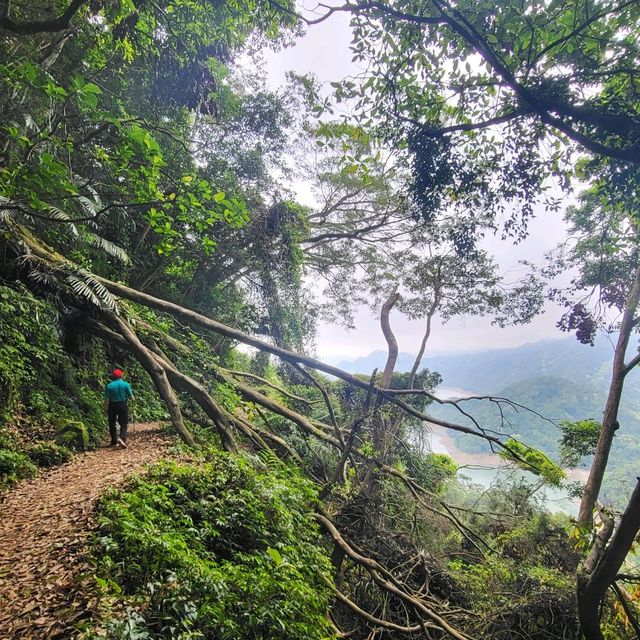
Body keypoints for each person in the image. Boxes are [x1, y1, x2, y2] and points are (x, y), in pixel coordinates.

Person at [103, 368, 133, 448]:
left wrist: (105, 409)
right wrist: (132, 406)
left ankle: (114, 441)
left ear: (113, 376)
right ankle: (122, 439)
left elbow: (106, 400)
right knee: (124, 423)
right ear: (121, 376)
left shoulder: (109, 386)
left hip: (112, 405)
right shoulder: (126, 384)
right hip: (122, 404)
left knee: (112, 423)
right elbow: (131, 397)